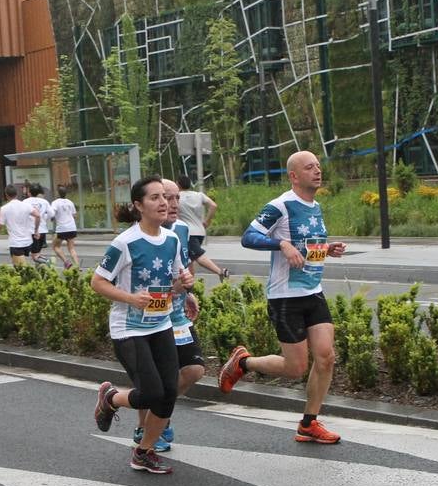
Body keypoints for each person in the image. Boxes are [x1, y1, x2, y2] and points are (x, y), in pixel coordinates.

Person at [219, 151, 347, 444]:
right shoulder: (280, 205)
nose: (317, 170)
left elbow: (307, 246)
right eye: (309, 167)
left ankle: (308, 423)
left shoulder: (316, 206)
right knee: (296, 368)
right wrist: (282, 245)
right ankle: (243, 363)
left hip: (312, 292)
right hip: (285, 297)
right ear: (294, 175)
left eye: (318, 165)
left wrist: (326, 249)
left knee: (326, 357)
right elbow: (248, 237)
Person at [90, 176, 194, 475]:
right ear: (138, 205)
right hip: (129, 328)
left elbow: (173, 284)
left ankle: (143, 452)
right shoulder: (125, 243)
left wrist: (183, 284)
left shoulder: (172, 239)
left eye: (165, 197)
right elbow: (97, 282)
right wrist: (130, 298)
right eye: (155, 198)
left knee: (168, 393)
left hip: (160, 325)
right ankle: (111, 398)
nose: (163, 203)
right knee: (150, 393)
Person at [131, 178, 207, 453]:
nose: (172, 204)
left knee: (194, 370)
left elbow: (182, 269)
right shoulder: (136, 236)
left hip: (177, 316)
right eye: (164, 197)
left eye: (175, 198)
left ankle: (158, 417)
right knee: (151, 381)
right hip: (148, 318)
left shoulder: (182, 230)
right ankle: (147, 427)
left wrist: (187, 293)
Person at [176, 176, 229, 279]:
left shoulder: (177, 197)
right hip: (200, 231)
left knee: (197, 255)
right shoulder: (199, 195)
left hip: (187, 233)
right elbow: (213, 206)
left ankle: (220, 271)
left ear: (178, 184)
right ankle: (189, 287)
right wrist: (207, 221)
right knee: (188, 260)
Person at [0, 184, 40, 268]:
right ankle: (44, 264)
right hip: (28, 242)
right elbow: (38, 215)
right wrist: (36, 230)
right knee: (20, 268)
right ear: (16, 194)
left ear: (6, 195)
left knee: (21, 271)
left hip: (16, 243)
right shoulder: (25, 205)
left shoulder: (4, 208)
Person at [50, 185, 80, 269]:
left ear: (58, 193)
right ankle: (77, 265)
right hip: (72, 227)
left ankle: (66, 262)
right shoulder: (70, 202)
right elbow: (74, 215)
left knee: (55, 246)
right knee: (71, 248)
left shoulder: (55, 202)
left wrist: (53, 218)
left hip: (62, 228)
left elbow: (52, 213)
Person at [23, 183, 52, 265]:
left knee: (34, 256)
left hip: (32, 231)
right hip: (43, 231)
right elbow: (52, 213)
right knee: (37, 254)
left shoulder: (25, 202)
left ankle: (48, 262)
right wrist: (45, 218)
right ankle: (41, 273)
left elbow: (22, 214)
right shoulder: (44, 202)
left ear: (29, 193)